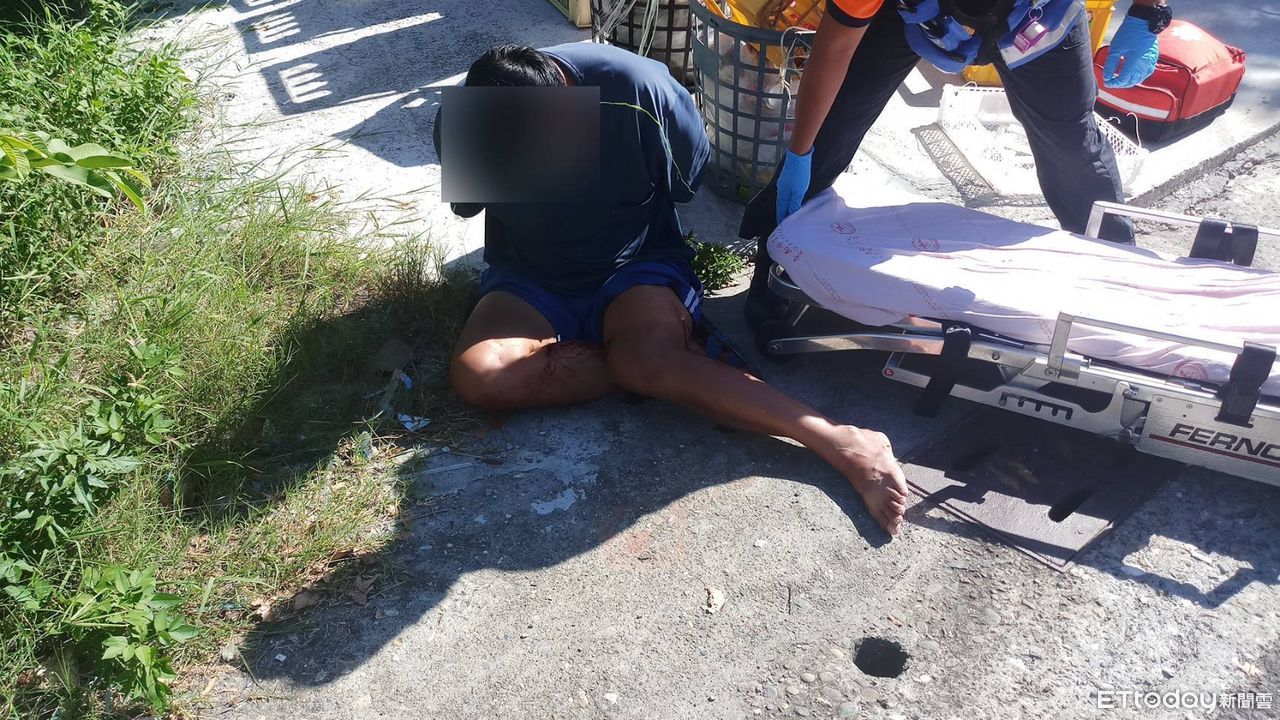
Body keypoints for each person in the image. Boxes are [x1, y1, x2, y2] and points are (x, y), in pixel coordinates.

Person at [437, 43, 909, 535]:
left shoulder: (641, 91)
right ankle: (658, 366)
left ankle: (840, 440)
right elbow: (468, 206)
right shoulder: (470, 116)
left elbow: (686, 183)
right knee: (480, 376)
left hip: (633, 266)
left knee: (646, 360)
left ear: (569, 96)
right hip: (530, 276)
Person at [740, 0, 1173, 328]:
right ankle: (781, 260)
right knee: (833, 123)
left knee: (1072, 148)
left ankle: (1119, 282)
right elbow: (836, 47)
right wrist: (801, 153)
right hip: (916, 14)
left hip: (1036, 17)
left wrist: (1147, 13)